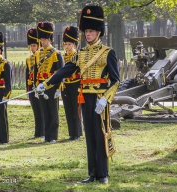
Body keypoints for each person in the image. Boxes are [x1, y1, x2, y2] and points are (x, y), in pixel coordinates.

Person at [36, 5, 120, 184]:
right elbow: (66, 70)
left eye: (91, 31)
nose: (88, 34)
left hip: (99, 99)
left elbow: (115, 80)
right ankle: (92, 173)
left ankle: (103, 174)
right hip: (84, 98)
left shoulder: (108, 53)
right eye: (86, 31)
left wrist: (106, 98)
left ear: (98, 32)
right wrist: (46, 83)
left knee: (100, 134)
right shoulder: (80, 54)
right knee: (89, 136)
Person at [35, 21, 64, 143]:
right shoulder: (38, 54)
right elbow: (36, 72)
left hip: (52, 86)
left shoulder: (56, 54)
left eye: (45, 39)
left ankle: (53, 136)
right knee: (45, 112)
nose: (43, 41)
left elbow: (61, 73)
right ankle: (47, 136)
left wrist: (59, 89)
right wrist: (36, 87)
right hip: (41, 85)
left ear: (50, 39)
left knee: (53, 112)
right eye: (41, 39)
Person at [61, 26, 82, 141]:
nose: (67, 46)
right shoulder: (63, 57)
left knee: (76, 109)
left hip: (75, 84)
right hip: (66, 85)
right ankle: (71, 133)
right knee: (68, 110)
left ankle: (77, 133)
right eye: (65, 44)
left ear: (74, 44)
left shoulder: (77, 56)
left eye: (69, 44)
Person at [25, 28, 45, 140]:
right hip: (31, 87)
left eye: (34, 45)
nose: (32, 48)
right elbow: (27, 75)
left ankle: (43, 132)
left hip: (40, 86)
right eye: (31, 46)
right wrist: (27, 89)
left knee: (42, 110)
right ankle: (37, 132)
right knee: (36, 110)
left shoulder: (41, 57)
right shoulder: (28, 59)